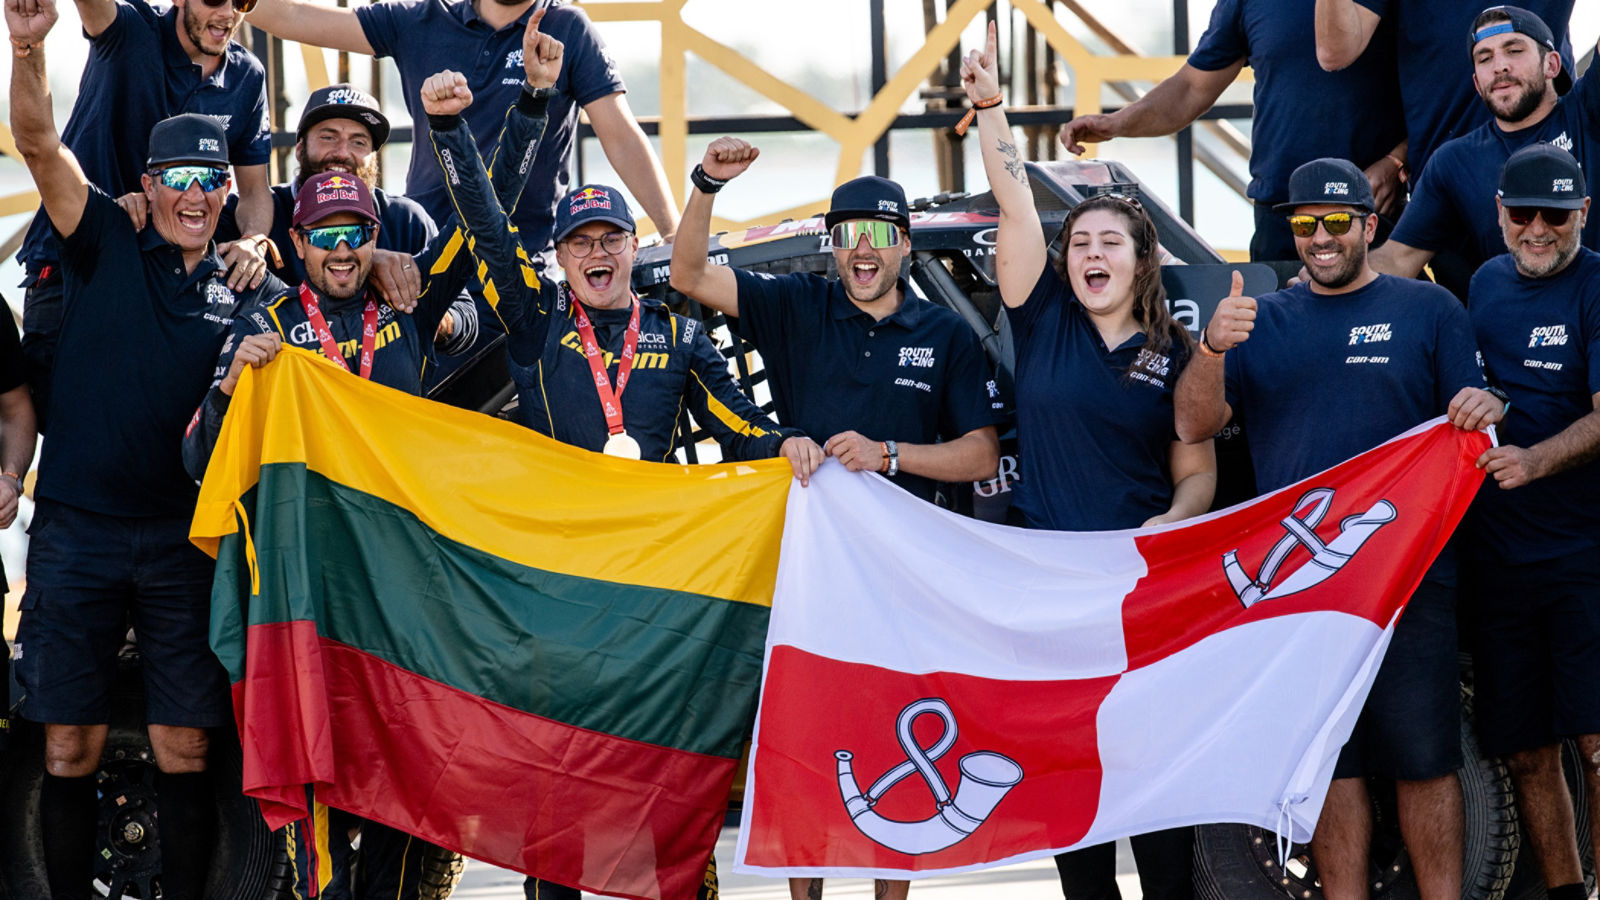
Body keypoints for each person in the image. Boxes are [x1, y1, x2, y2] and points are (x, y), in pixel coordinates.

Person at [417, 67, 814, 900]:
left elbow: (741, 428)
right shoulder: (536, 320)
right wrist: (451, 133)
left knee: (655, 771)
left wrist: (801, 452)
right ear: (561, 257)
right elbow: (488, 230)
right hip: (553, 585)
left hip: (649, 591)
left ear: (634, 247)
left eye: (610, 239)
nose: (597, 254)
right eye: (580, 243)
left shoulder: (677, 329)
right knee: (556, 777)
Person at [186, 44, 563, 900]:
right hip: (307, 596)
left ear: (375, 233)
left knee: (402, 789)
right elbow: (196, 460)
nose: (343, 250)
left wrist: (516, 111)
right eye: (324, 234)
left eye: (356, 231)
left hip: (398, 597)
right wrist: (230, 388)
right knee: (314, 796)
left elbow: (484, 223)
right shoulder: (266, 324)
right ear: (299, 239)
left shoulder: (407, 300)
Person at [669, 148, 1002, 900]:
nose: (863, 248)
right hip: (811, 575)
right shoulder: (797, 306)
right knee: (810, 744)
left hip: (908, 580)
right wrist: (706, 186)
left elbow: (982, 455)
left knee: (903, 731)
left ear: (905, 246)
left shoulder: (944, 335)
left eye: (880, 235)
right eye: (849, 232)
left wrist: (890, 455)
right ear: (833, 243)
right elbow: (689, 274)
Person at [7, 0, 283, 893]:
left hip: (183, 540)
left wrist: (264, 336)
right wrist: (27, 50)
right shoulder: (98, 244)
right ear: (150, 185)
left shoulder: (246, 291)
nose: (197, 195)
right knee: (69, 743)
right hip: (78, 531)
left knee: (186, 746)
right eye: (179, 179)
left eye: (212, 179)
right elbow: (43, 146)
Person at [1173, 158, 1504, 900]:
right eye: (1303, 225)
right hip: (1303, 591)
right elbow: (1194, 423)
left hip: (1409, 579)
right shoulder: (1261, 322)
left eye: (1335, 223)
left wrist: (1489, 408)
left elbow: (1470, 419)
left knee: (1425, 761)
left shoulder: (1430, 311)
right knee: (1330, 766)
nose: (1319, 239)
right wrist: (1212, 348)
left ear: (1369, 226)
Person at [963, 22, 1212, 900]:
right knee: (1076, 795)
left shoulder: (1177, 352)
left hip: (1143, 588)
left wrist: (1170, 525)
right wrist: (991, 103)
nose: (1092, 253)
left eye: (1110, 242)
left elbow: (1197, 471)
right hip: (1054, 588)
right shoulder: (1042, 319)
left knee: (1157, 796)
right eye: (1082, 244)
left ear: (1141, 259)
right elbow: (1015, 201)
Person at [238, 0, 678, 262]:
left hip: (522, 256)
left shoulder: (568, 29)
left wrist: (673, 233)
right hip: (423, 250)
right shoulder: (421, 19)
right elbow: (295, 14)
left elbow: (619, 135)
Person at [15, 0, 274, 431]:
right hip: (74, 264)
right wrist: (27, 41)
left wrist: (253, 239)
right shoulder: (131, 30)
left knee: (159, 430)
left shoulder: (248, 76)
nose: (229, 13)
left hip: (164, 278)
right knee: (53, 422)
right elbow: (39, 144)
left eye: (243, 1)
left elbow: (254, 192)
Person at [1462, 144, 1600, 900]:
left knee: (1597, 742)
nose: (1538, 229)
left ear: (1583, 212)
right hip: (1499, 558)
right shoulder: (1481, 284)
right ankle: (1565, 895)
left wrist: (1533, 460)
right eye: (1524, 214)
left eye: (1557, 214)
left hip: (1585, 553)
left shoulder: (1598, 284)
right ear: (1501, 215)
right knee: (1524, 750)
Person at [1057, 0, 1406, 263]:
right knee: (1279, 352)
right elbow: (1192, 88)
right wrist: (1118, 122)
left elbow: (1443, 91)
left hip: (1367, 207)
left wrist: (1396, 162)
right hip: (1281, 213)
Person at [1369, 5, 1600, 280]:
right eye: (1485, 58)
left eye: (1514, 50)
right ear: (1477, 83)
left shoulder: (1588, 110)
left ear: (1551, 64)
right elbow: (1397, 260)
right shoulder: (1453, 162)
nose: (1500, 66)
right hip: (1510, 317)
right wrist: (1313, 281)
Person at [1312, 0, 1574, 183]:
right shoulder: (1445, 167)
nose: (1500, 66)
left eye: (1513, 52)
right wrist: (1398, 158)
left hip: (1554, 169)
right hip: (1446, 179)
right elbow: (1334, 53)